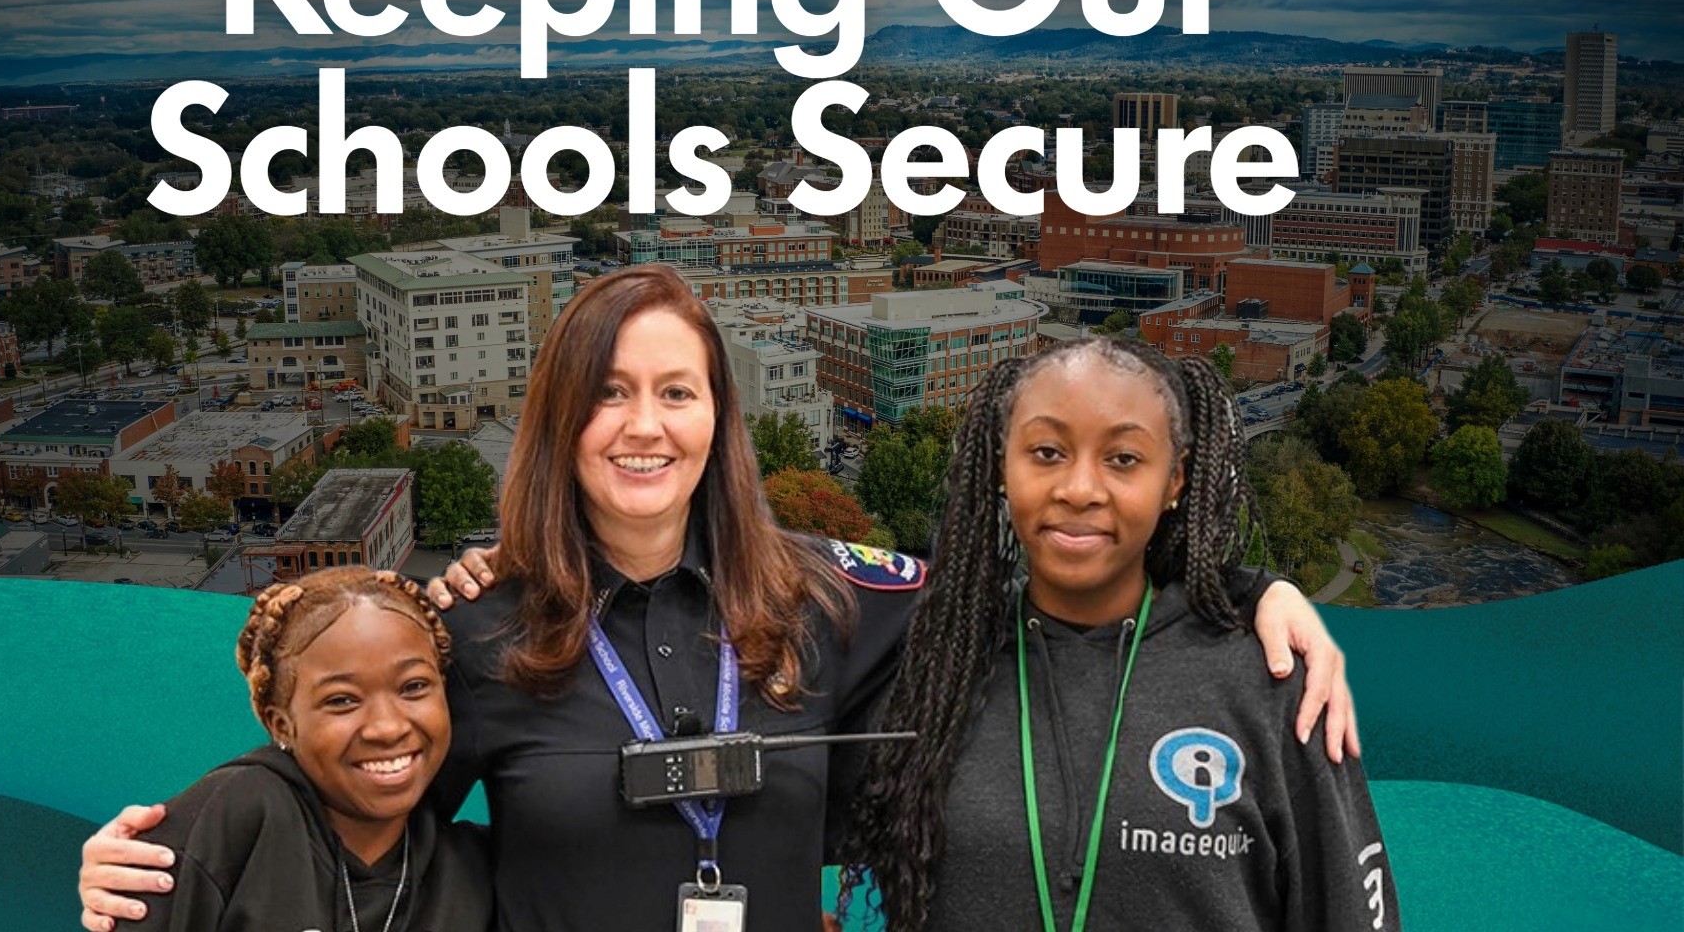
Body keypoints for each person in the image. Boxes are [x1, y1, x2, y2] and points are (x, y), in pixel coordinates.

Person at [80, 265, 1355, 932]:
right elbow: (353, 789)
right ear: (559, 420)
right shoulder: (477, 630)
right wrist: (165, 860)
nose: (644, 426)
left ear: (718, 417)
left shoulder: (832, 598)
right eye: (609, 393)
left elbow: (1055, 574)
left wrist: (1247, 586)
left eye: (676, 392)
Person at [836, 337, 1397, 931]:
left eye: (1124, 458)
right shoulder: (928, 669)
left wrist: (1258, 587)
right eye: (1047, 452)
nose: (1080, 489)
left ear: (1175, 479)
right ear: (1002, 465)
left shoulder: (1271, 680)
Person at [115, 567, 490, 932]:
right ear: (281, 725)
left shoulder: (477, 871)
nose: (387, 727)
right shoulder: (241, 815)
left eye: (413, 687)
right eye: (342, 700)